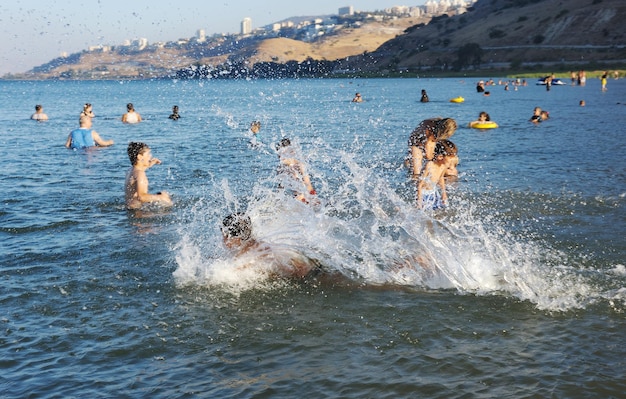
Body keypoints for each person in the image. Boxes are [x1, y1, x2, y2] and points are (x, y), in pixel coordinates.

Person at [221, 212, 322, 279]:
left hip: (312, 276)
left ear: (236, 238)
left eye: (225, 236)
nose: (223, 240)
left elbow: (233, 272)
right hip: (311, 267)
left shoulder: (253, 253)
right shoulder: (254, 245)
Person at [124, 142, 172, 210]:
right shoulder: (140, 174)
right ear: (139, 157)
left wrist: (149, 164)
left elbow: (139, 171)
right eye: (148, 154)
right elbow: (141, 197)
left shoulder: (131, 170)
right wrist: (161, 197)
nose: (150, 156)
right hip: (138, 213)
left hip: (130, 208)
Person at [276, 138, 317, 204]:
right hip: (295, 199)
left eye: (282, 153)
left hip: (303, 199)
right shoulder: (281, 167)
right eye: (279, 154)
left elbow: (308, 185)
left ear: (291, 152)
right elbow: (280, 188)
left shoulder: (298, 165)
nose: (279, 157)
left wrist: (314, 200)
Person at [417, 142, 448, 210]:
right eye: (449, 158)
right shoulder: (430, 165)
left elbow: (441, 178)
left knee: (441, 209)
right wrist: (419, 200)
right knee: (424, 212)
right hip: (424, 193)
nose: (450, 162)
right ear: (440, 157)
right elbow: (420, 184)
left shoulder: (443, 166)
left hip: (433, 192)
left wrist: (444, 193)